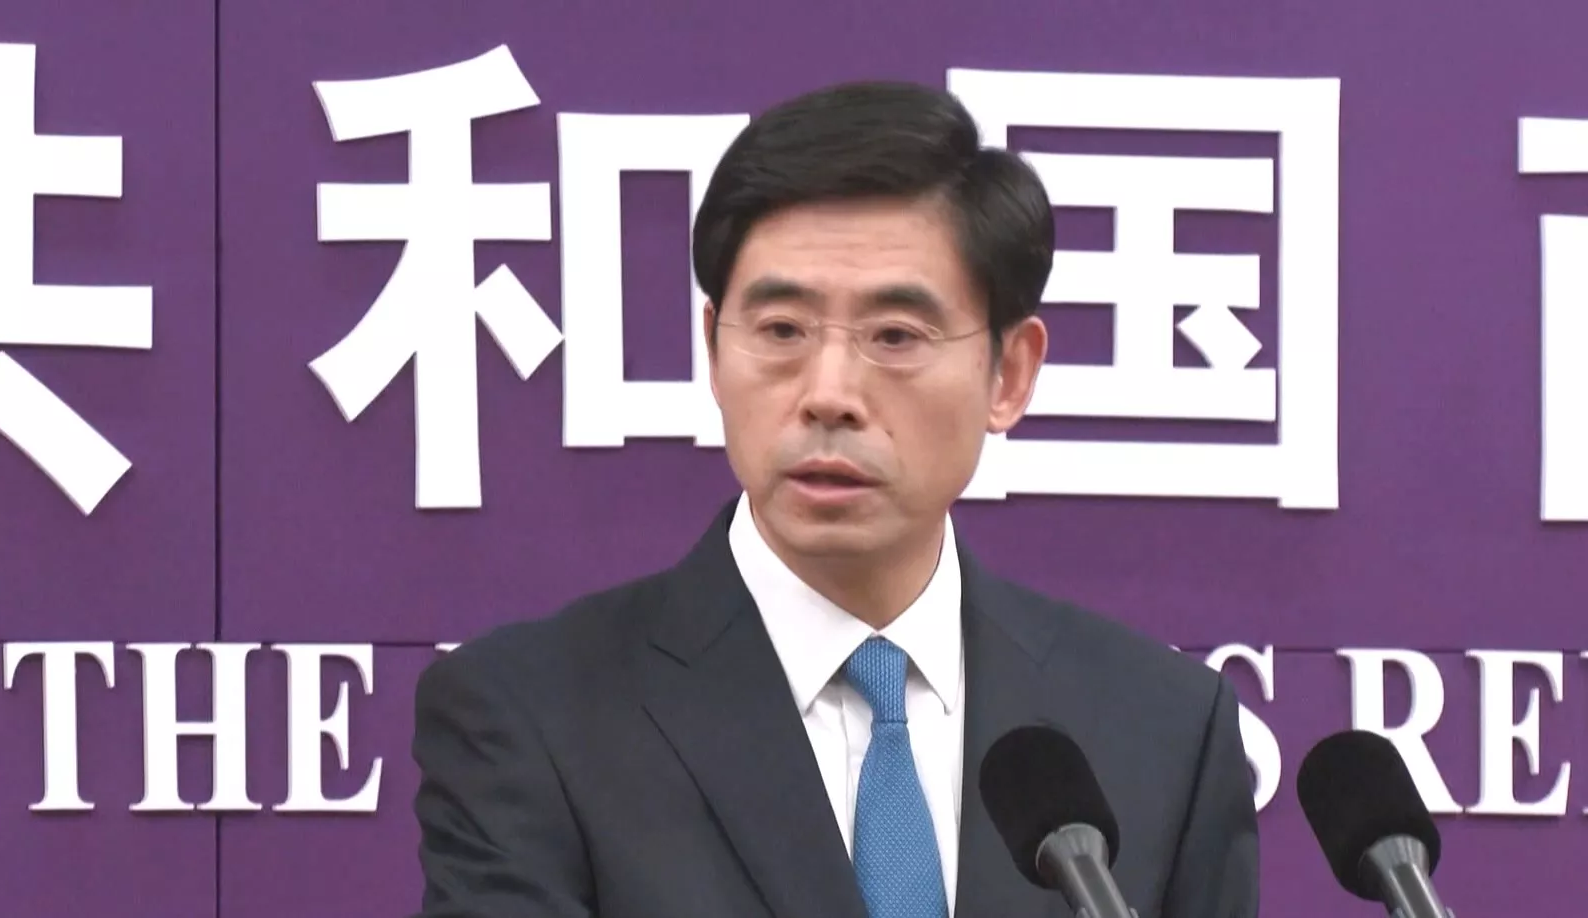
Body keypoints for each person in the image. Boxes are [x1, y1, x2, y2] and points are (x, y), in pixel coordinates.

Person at [410, 79, 1259, 918]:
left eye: (894, 336)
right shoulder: (532, 718)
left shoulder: (1162, 731)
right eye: (781, 330)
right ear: (714, 349)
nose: (828, 394)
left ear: (1008, 374)